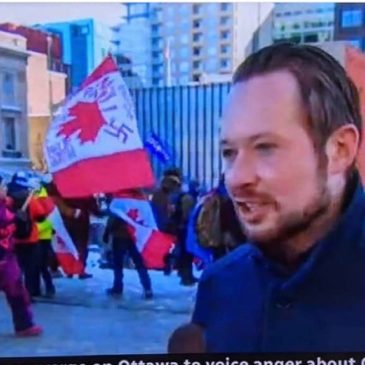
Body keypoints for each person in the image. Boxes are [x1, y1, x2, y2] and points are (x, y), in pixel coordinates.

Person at [191, 42, 365, 352]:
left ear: (340, 149)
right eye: (229, 152)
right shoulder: (220, 284)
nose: (237, 178)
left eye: (265, 148)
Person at [0, 183, 42, 337]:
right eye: (1, 186)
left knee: (17, 293)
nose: (4, 189)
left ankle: (24, 326)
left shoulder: (8, 205)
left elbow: (21, 232)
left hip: (7, 259)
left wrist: (22, 222)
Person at [103, 208, 153, 300]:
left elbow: (113, 217)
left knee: (118, 263)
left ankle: (117, 287)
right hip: (135, 236)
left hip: (120, 235)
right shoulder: (140, 200)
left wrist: (107, 232)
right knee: (139, 263)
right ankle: (147, 287)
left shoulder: (118, 200)